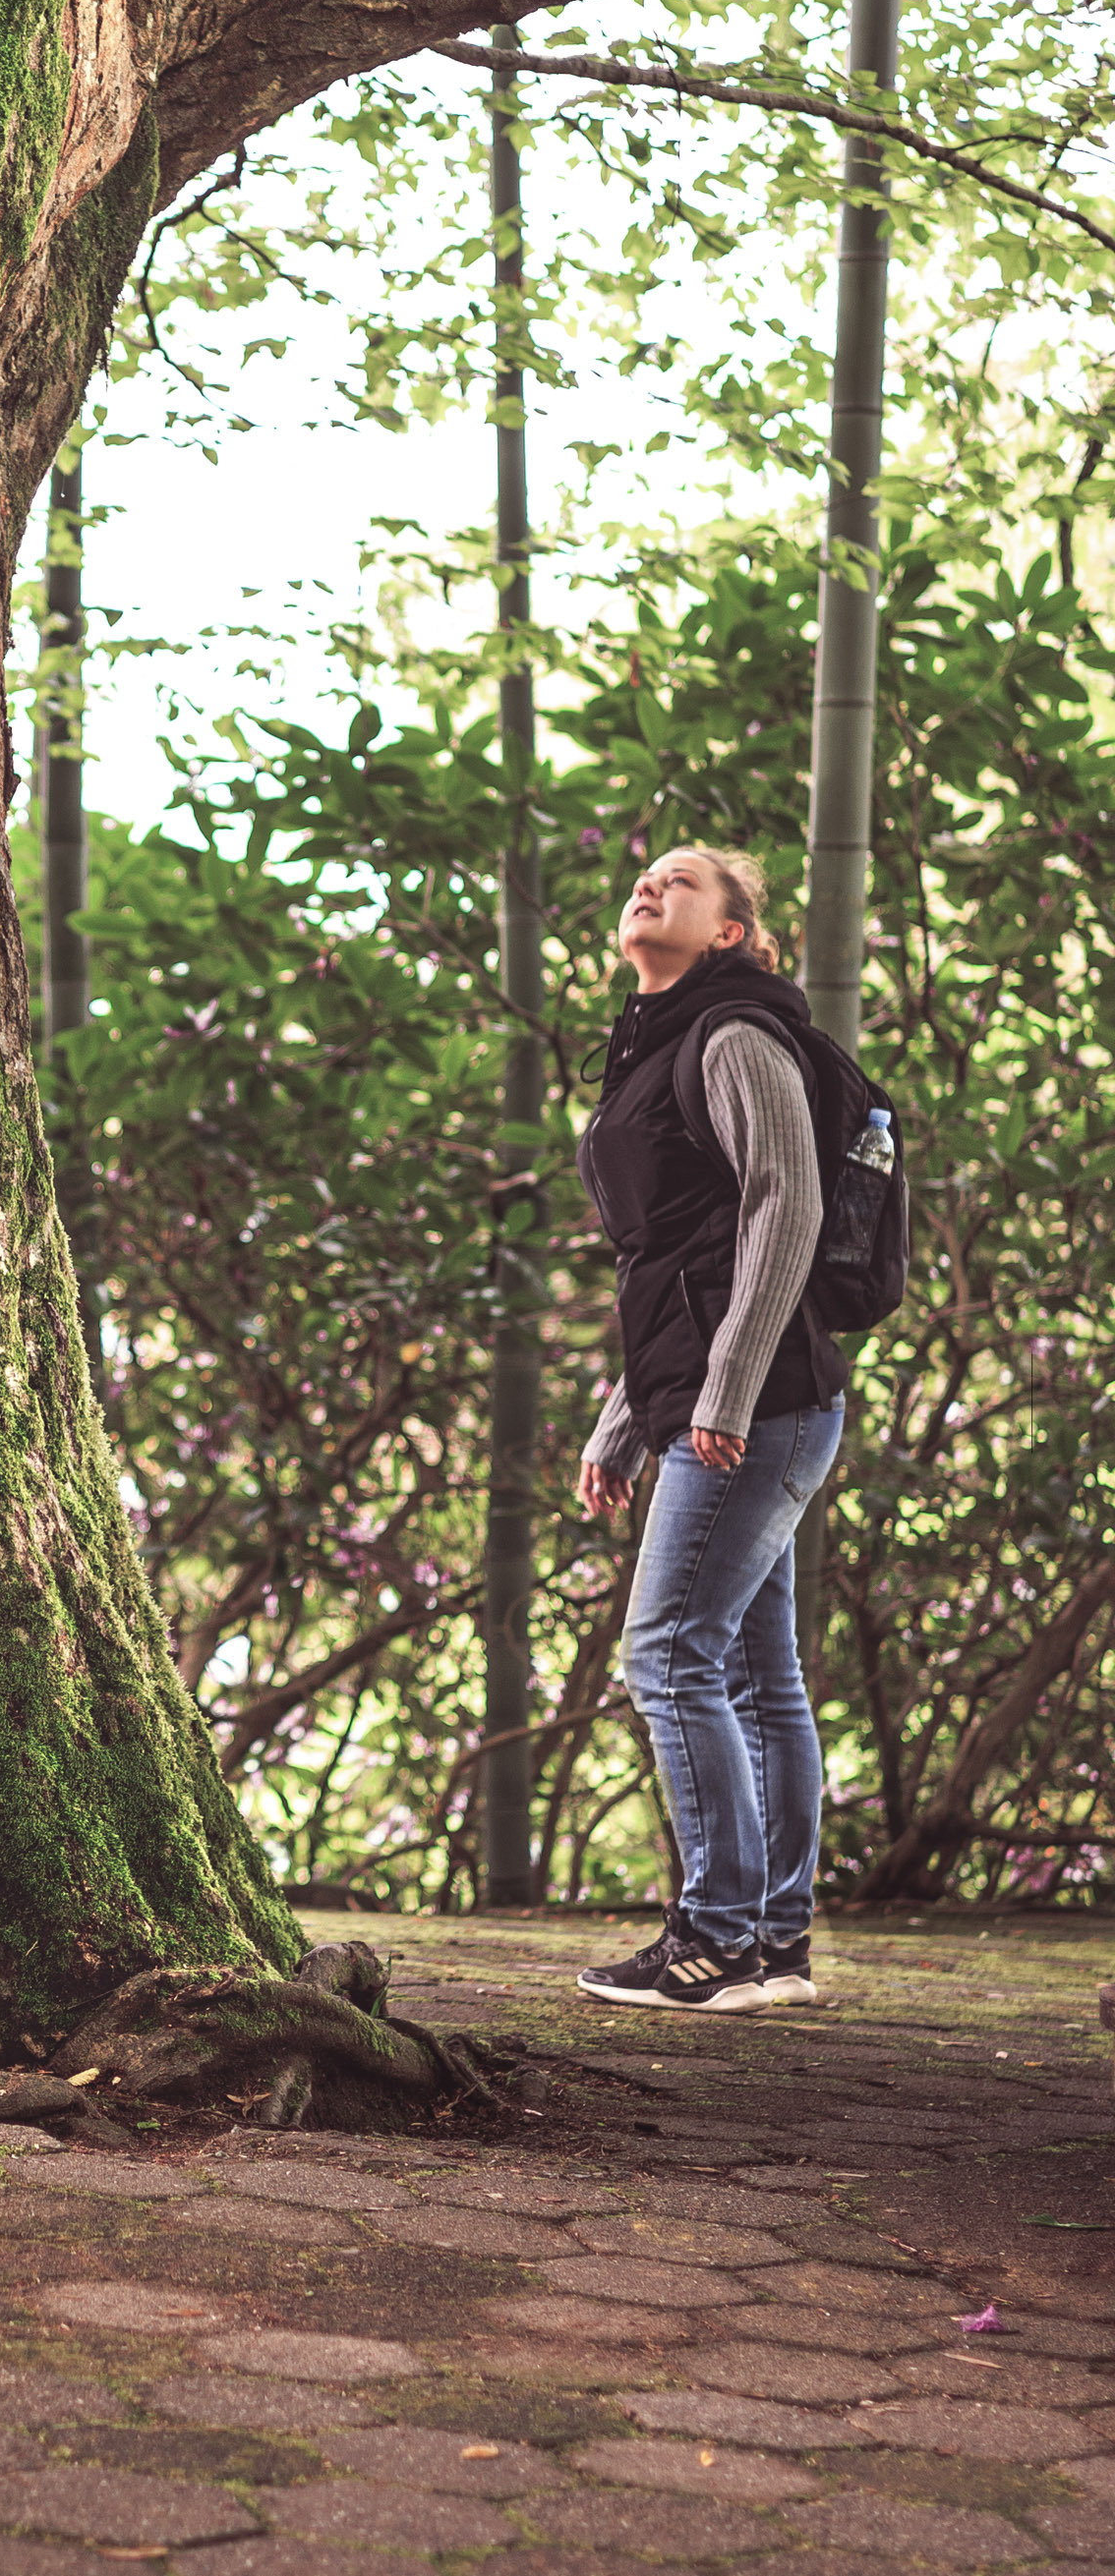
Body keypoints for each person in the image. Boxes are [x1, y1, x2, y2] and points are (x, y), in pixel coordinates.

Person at [572, 842, 846, 2014]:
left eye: (681, 882)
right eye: (643, 877)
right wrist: (623, 1423)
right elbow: (680, 1263)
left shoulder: (733, 1034)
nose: (650, 886)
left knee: (670, 1652)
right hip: (743, 1401)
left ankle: (716, 1937)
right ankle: (772, 1946)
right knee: (753, 1670)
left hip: (756, 1407)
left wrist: (724, 1395)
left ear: (730, 932)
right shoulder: (661, 1045)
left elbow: (788, 1205)